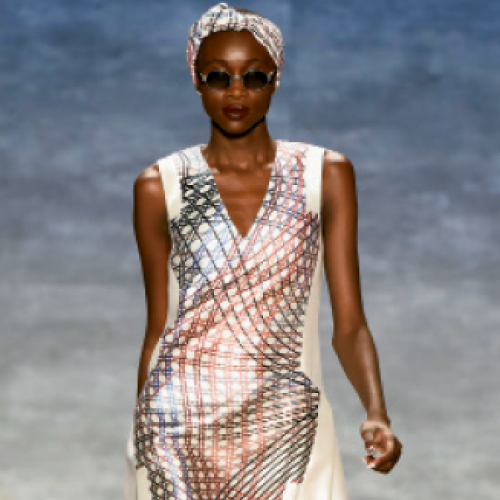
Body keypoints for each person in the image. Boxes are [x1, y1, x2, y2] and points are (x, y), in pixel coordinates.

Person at [124, 3, 402, 499]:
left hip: (289, 421)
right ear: (195, 79)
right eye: (218, 76)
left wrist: (376, 412)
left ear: (276, 80)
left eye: (254, 77)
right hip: (179, 427)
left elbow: (349, 323)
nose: (236, 93)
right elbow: (159, 330)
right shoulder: (159, 185)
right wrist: (141, 432)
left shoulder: (325, 174)